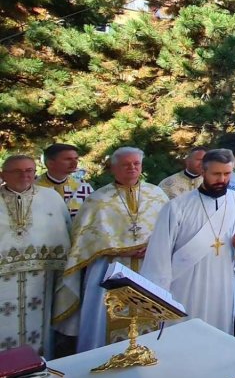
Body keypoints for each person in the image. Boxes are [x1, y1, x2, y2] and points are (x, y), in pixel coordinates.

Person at [53, 147, 169, 351]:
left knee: (151, 317)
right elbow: (85, 239)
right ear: (113, 168)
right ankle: (105, 356)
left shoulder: (157, 194)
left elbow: (170, 228)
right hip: (110, 268)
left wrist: (155, 245)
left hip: (150, 266)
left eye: (136, 163)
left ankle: (150, 352)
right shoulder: (98, 199)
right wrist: (119, 250)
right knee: (106, 318)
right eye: (126, 164)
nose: (132, 168)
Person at [141, 149, 235, 334]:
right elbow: (159, 252)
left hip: (223, 279)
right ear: (203, 171)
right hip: (186, 281)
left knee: (218, 329)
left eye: (227, 173)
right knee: (184, 330)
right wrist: (159, 291)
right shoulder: (177, 207)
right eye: (216, 174)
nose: (222, 179)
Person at [1, 155, 70, 357]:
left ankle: (39, 364)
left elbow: (65, 229)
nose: (25, 175)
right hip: (2, 280)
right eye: (17, 171)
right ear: (3, 175)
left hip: (42, 276)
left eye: (29, 170)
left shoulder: (51, 198)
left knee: (39, 326)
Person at [36, 143, 95, 222]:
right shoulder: (32, 188)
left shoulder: (82, 186)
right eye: (68, 159)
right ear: (50, 163)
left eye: (76, 159)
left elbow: (93, 215)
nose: (75, 163)